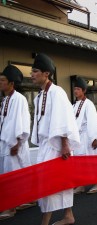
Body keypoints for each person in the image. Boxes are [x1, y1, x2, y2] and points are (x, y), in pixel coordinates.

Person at [31, 53, 80, 225]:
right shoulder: (39, 97)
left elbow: (64, 118)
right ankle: (68, 215)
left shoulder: (57, 92)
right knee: (55, 182)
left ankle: (46, 221)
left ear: (46, 74)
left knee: (53, 183)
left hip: (57, 146)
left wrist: (65, 145)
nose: (32, 74)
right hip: (46, 145)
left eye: (35, 71)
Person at [0, 65, 34, 220]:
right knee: (12, 174)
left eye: (3, 80)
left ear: (11, 83)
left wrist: (17, 143)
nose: (0, 83)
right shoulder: (6, 99)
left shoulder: (19, 99)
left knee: (12, 175)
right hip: (5, 144)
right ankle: (23, 200)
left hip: (14, 145)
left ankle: (11, 206)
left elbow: (23, 122)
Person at [73, 77, 97, 195]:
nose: (76, 91)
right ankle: (81, 184)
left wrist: (94, 137)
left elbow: (93, 121)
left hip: (88, 136)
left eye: (78, 89)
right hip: (78, 137)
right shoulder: (74, 105)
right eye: (75, 89)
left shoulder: (89, 104)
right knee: (79, 162)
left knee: (92, 161)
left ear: (84, 90)